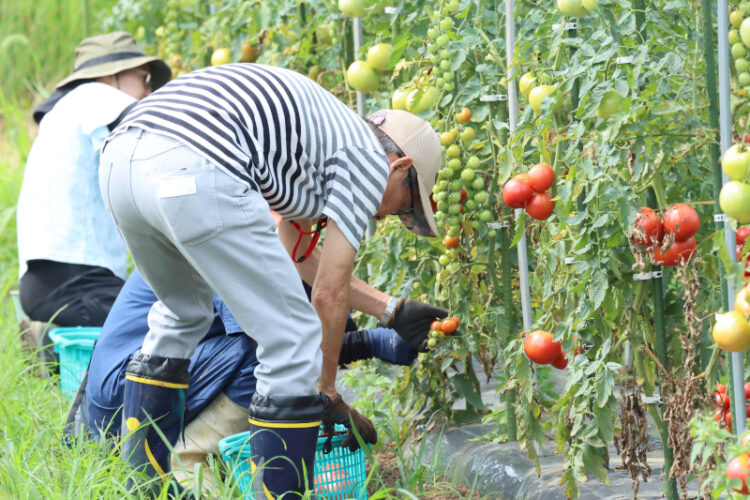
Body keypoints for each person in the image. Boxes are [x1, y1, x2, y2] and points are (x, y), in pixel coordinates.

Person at [100, 62, 447, 497]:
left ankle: (143, 490)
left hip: (122, 161)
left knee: (181, 314)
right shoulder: (369, 160)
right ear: (401, 167)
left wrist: (390, 310)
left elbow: (295, 257)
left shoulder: (322, 144)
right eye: (403, 206)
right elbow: (327, 293)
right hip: (194, 163)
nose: (387, 215)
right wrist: (325, 393)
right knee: (292, 338)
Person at [83, 270, 417, 489]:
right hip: (123, 399)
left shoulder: (288, 250)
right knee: (259, 357)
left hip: (125, 388)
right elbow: (264, 342)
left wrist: (367, 344)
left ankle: (218, 458)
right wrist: (366, 347)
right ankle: (190, 462)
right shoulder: (248, 244)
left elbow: (305, 343)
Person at [15, 31, 170, 327]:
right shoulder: (97, 96)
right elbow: (155, 145)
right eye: (144, 79)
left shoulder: (64, 114)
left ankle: (51, 338)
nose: (149, 93)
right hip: (78, 280)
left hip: (46, 280)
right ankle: (52, 339)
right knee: (180, 319)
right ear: (109, 77)